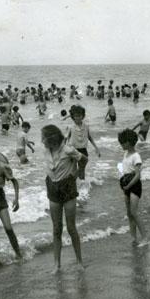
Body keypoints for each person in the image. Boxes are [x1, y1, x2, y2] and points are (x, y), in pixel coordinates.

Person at [42, 125, 86, 271]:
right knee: (56, 229)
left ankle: (79, 261)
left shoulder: (67, 149)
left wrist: (79, 172)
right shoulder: (46, 150)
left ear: (52, 139)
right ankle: (57, 264)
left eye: (44, 138)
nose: (42, 141)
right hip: (52, 187)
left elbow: (83, 159)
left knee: (71, 227)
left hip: (68, 187)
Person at [118, 129, 148, 247]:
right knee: (129, 213)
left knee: (134, 212)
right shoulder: (126, 154)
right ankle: (134, 238)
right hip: (127, 185)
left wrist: (129, 185)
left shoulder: (136, 156)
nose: (121, 144)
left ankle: (145, 238)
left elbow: (137, 175)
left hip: (134, 186)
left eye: (123, 142)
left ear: (129, 142)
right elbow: (124, 169)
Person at [66, 105, 101, 180]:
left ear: (83, 116)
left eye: (80, 115)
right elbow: (66, 139)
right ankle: (73, 185)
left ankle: (83, 187)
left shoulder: (86, 126)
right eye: (76, 116)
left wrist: (96, 148)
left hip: (83, 149)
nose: (78, 117)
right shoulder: (70, 127)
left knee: (82, 169)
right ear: (72, 117)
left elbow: (89, 137)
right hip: (73, 149)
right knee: (73, 169)